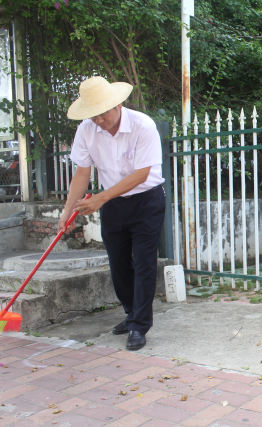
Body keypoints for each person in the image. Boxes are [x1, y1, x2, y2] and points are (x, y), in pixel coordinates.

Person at [60, 76, 165, 351]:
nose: (99, 120)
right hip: (114, 205)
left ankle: (140, 326)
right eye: (93, 115)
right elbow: (82, 172)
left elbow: (142, 173)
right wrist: (67, 210)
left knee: (144, 263)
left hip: (146, 201)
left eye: (103, 112)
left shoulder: (143, 126)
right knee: (118, 263)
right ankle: (131, 314)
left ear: (118, 104)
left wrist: (101, 198)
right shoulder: (86, 130)